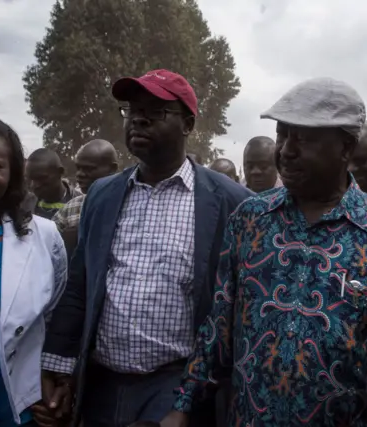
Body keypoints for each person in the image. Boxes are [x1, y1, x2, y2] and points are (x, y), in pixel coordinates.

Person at [159, 77, 367, 427]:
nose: (285, 150)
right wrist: (184, 405)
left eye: (304, 138)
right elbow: (219, 326)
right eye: (283, 135)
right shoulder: (250, 220)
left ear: (346, 147)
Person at [39, 69, 253, 427]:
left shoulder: (231, 201)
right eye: (131, 109)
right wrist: (58, 364)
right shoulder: (103, 195)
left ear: (187, 123)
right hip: (102, 384)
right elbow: (80, 283)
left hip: (178, 386)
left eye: (154, 112)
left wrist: (194, 397)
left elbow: (237, 312)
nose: (137, 118)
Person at [0, 115, 67, 426]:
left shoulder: (44, 236)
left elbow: (52, 315)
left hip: (13, 409)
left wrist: (55, 380)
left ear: (13, 174)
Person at [52, 139, 118, 260]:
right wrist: (67, 240)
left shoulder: (129, 206)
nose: (79, 174)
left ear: (112, 169)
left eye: (89, 169)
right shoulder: (71, 208)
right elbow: (49, 247)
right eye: (78, 168)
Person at [25, 148, 80, 219]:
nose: (34, 185)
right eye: (31, 179)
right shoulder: (25, 205)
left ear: (60, 172)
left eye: (41, 178)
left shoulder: (82, 204)